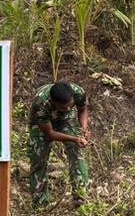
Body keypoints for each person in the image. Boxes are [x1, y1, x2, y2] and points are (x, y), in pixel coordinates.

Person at [28, 81, 91, 209]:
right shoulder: (40, 103)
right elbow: (50, 133)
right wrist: (74, 138)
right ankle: (41, 202)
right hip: (42, 124)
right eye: (63, 107)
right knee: (39, 158)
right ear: (53, 102)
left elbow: (83, 109)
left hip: (65, 119)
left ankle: (80, 196)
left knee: (76, 150)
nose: (68, 109)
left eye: (70, 105)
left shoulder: (77, 92)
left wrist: (84, 130)